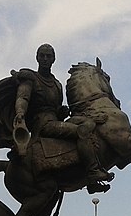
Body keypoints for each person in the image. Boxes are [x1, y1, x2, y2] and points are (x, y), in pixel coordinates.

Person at [13, 44, 112, 193]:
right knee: (82, 131)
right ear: (37, 58)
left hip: (55, 121)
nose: (45, 59)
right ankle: (93, 173)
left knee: (90, 123)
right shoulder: (31, 78)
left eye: (48, 56)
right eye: (42, 56)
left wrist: (62, 112)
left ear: (53, 59)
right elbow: (23, 98)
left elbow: (56, 110)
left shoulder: (57, 85)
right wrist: (20, 112)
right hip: (43, 124)